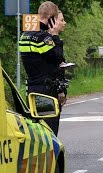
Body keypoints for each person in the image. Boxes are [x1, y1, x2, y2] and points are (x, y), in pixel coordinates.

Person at [19, 1, 66, 136]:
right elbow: (58, 59)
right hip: (46, 91)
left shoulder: (25, 35)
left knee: (36, 131)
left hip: (32, 89)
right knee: (49, 132)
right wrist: (55, 36)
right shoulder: (43, 38)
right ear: (51, 18)